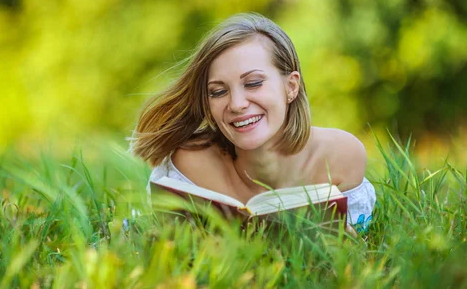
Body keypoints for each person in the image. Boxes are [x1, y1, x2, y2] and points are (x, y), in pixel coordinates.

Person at [130, 13, 375, 233]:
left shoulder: (341, 157)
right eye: (218, 91)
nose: (236, 104)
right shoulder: (191, 163)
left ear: (290, 87)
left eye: (253, 83)